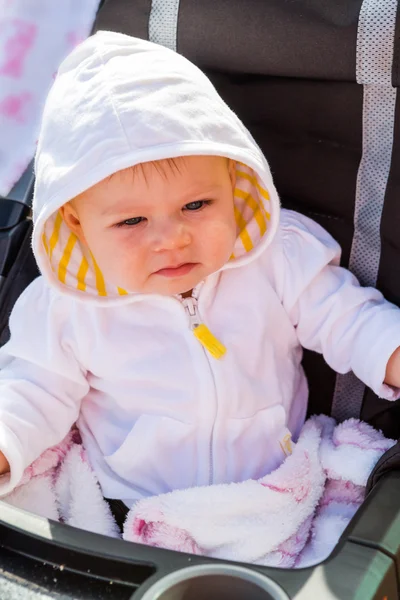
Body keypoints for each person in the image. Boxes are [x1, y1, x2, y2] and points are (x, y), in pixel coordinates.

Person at [0, 31, 400, 518]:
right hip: (134, 500)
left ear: (233, 185)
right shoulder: (66, 308)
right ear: (77, 223)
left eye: (196, 204)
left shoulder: (277, 256)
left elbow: (349, 318)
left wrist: (391, 351)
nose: (171, 239)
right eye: (131, 221)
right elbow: (32, 388)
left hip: (276, 486)